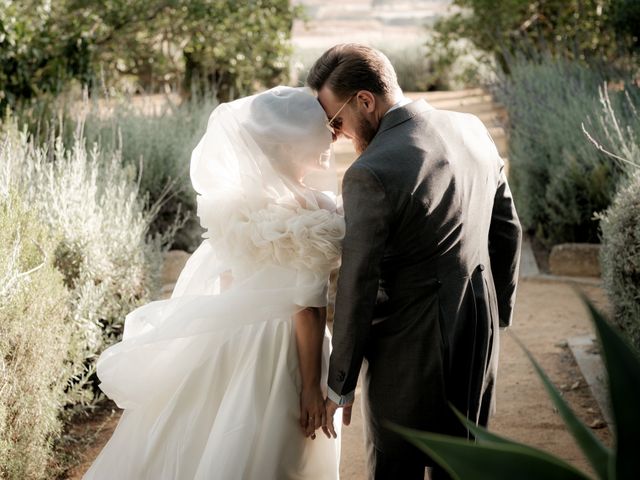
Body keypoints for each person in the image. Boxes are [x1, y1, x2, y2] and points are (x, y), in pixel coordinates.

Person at [83, 86, 344, 480]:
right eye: (320, 130)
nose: (331, 137)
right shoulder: (315, 210)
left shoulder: (231, 204)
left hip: (235, 338)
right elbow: (307, 308)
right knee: (284, 454)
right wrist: (310, 386)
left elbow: (227, 282)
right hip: (287, 350)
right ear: (289, 144)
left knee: (217, 432)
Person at [307, 44, 522, 479]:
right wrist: (496, 315)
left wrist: (340, 385)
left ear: (365, 101)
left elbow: (358, 282)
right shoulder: (472, 127)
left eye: (337, 120)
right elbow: (508, 230)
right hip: (478, 335)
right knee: (466, 464)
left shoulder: (371, 172)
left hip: (408, 350)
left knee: (395, 466)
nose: (339, 134)